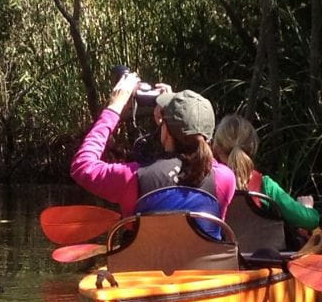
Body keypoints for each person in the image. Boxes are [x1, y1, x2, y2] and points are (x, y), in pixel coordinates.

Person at [70, 72, 236, 219]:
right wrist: (177, 113)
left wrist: (114, 108)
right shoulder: (225, 180)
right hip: (200, 255)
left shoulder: (132, 178)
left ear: (167, 131)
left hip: (146, 255)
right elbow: (198, 155)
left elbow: (82, 166)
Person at [211, 113, 320, 230]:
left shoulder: (208, 183)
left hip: (221, 248)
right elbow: (310, 221)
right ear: (253, 147)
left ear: (216, 148)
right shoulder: (266, 186)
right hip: (260, 248)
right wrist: (307, 208)